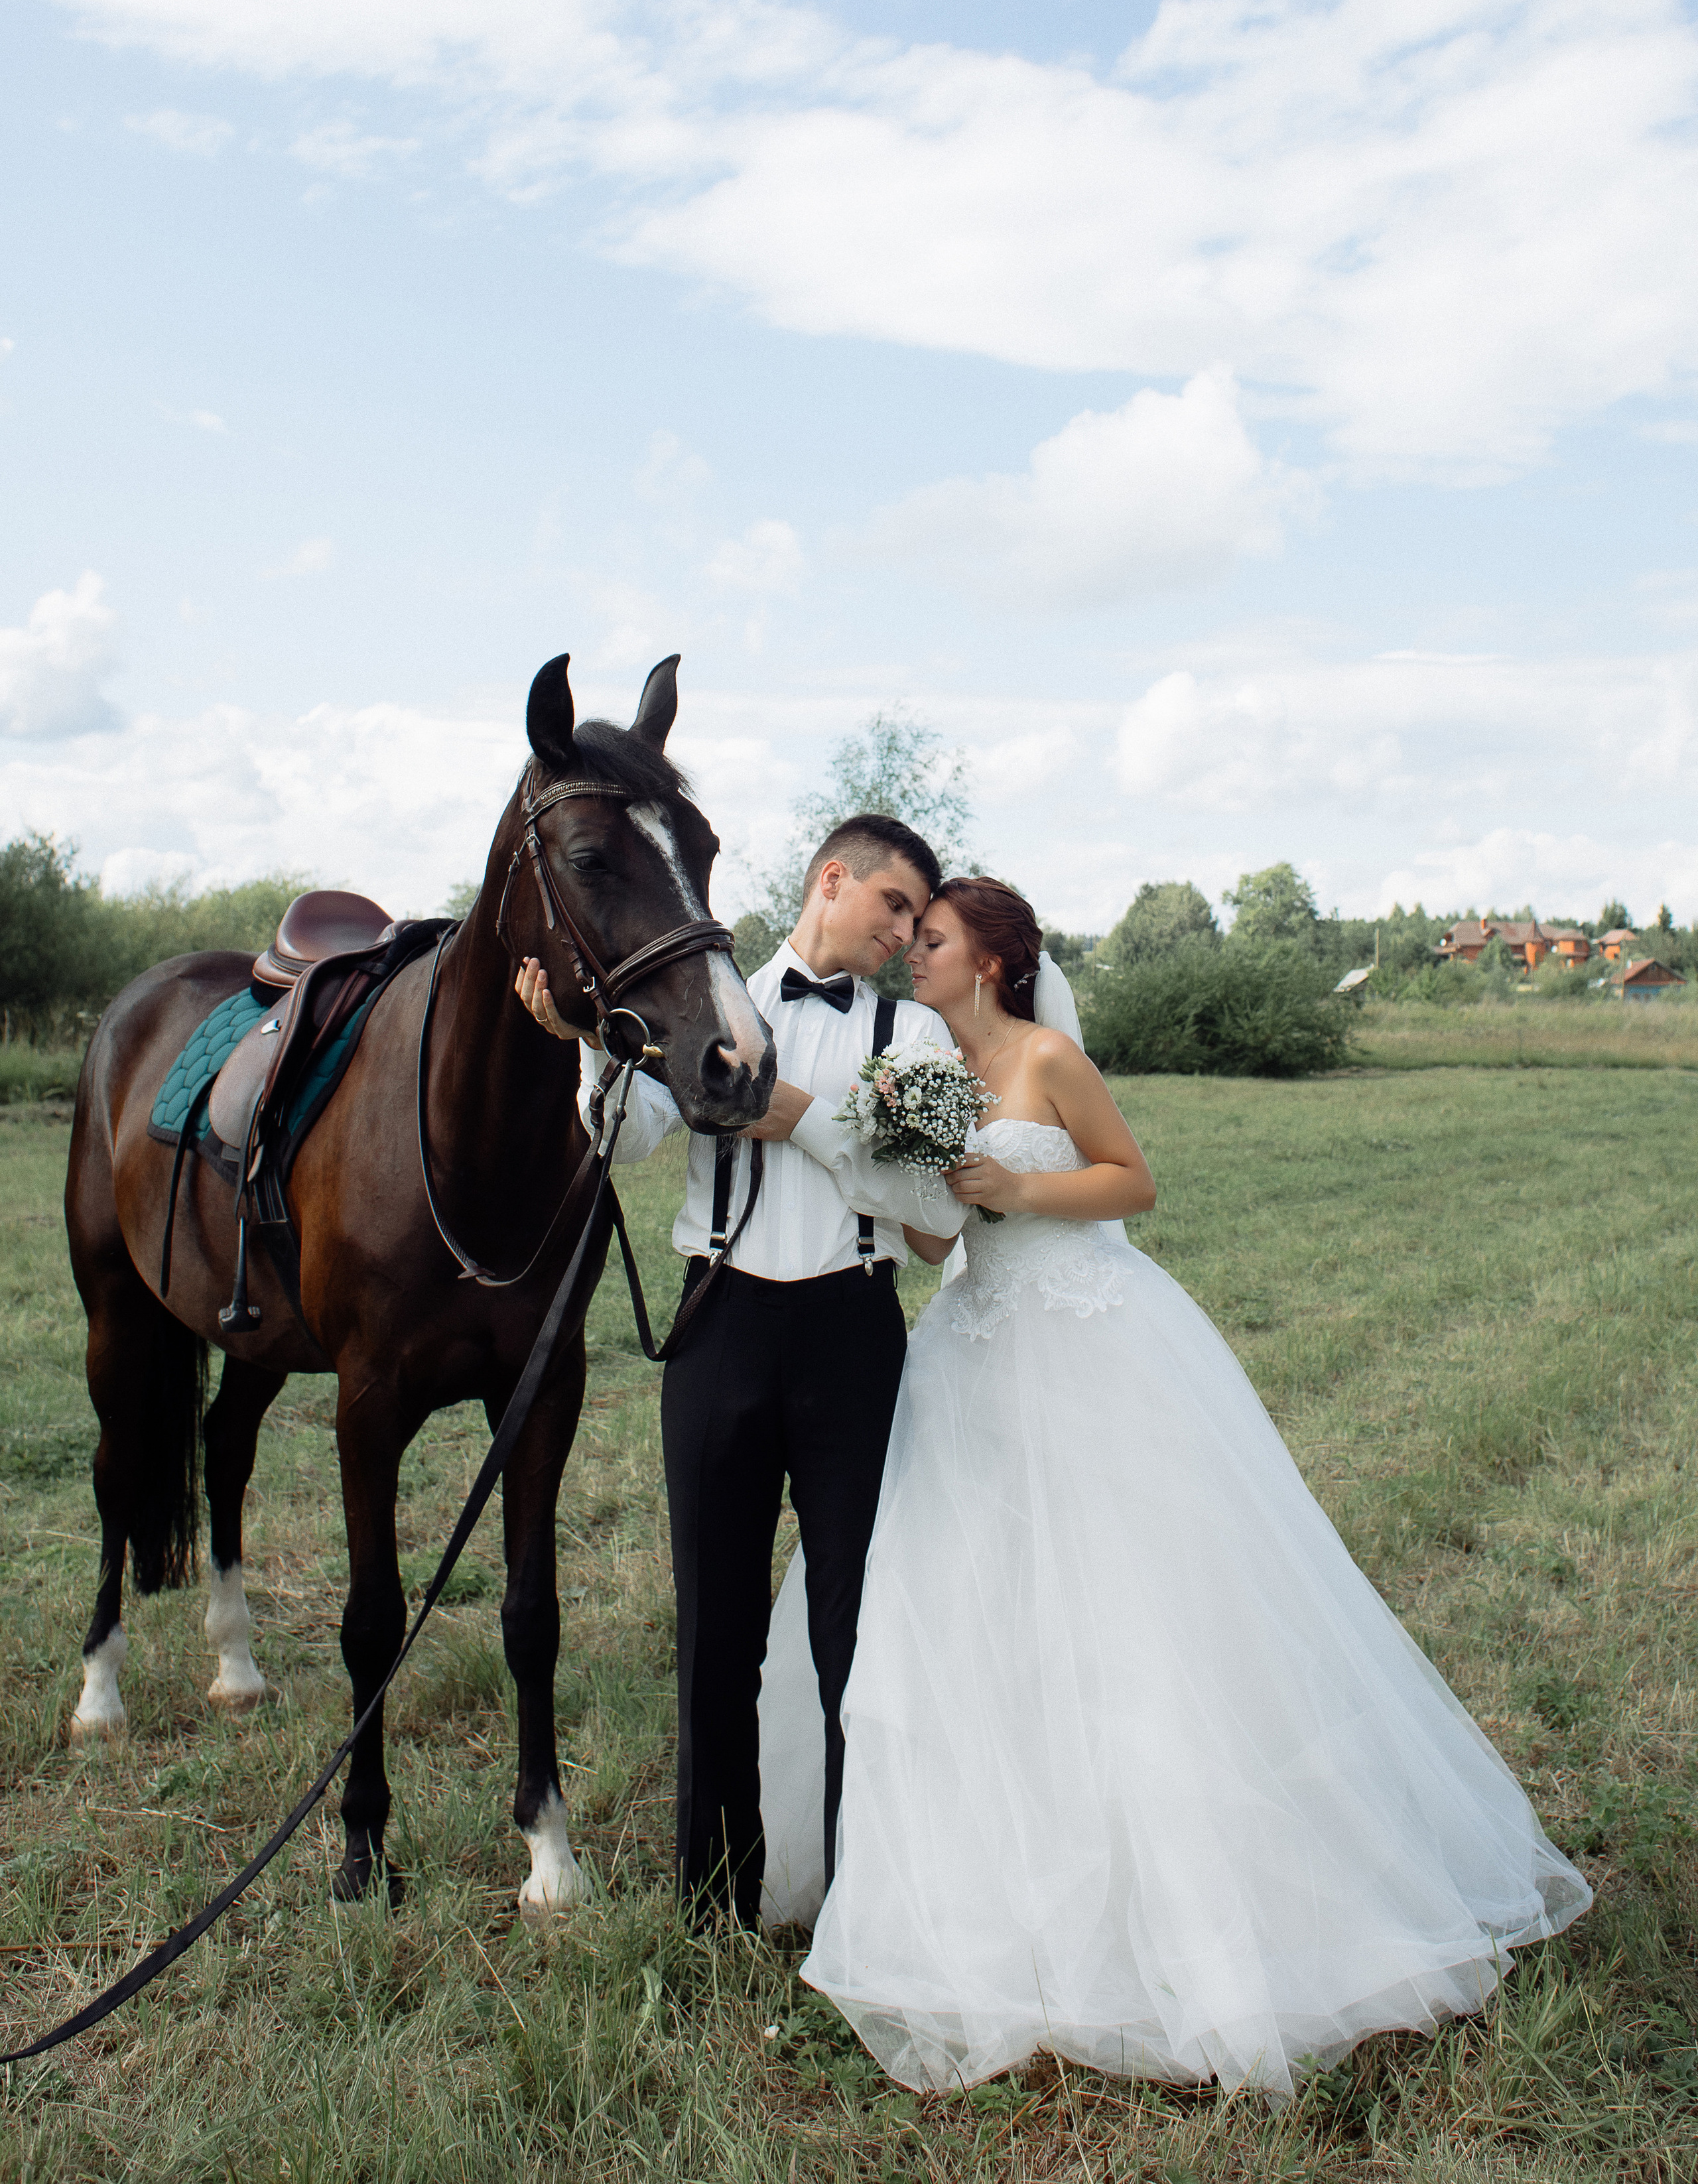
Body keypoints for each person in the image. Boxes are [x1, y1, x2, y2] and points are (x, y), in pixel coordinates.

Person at [755, 875, 1591, 2098]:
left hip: (1086, 1338)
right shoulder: (918, 1066)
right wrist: (918, 1184)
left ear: (986, 960)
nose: (908, 955)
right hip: (970, 1346)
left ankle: (1193, 1901)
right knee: (968, 1612)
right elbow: (940, 1236)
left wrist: (1020, 1189)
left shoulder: (1047, 1058)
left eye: (927, 941)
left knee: (1133, 1616)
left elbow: (1130, 1180)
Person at [517, 814, 964, 1924]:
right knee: (715, 1630)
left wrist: (797, 1118)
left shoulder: (916, 1041)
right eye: (894, 905)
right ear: (832, 880)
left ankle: (873, 1903)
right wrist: (588, 1038)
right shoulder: (707, 1009)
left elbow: (936, 1212)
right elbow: (627, 1140)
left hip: (856, 1337)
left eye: (917, 917)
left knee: (853, 1631)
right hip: (718, 1331)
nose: (907, 934)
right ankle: (716, 1897)